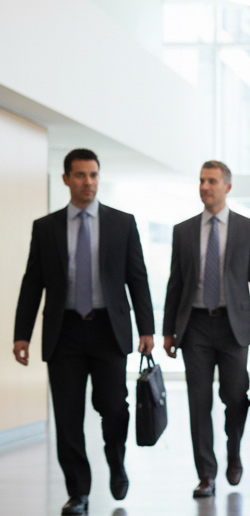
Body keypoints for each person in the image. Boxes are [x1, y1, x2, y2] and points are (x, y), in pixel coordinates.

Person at [12, 149, 155, 516]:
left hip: (109, 332)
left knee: (114, 409)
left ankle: (116, 460)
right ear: (66, 180)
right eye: (79, 175)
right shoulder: (46, 228)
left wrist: (147, 329)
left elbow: (137, 279)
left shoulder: (122, 223)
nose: (87, 182)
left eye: (93, 175)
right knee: (68, 417)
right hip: (66, 333)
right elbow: (33, 283)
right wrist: (22, 334)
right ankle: (79, 492)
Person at [162, 160, 250, 498]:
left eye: (211, 181)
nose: (204, 187)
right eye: (201, 181)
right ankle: (206, 474)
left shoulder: (248, 228)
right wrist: (169, 330)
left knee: (235, 397)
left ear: (226, 186)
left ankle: (234, 450)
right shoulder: (183, 230)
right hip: (194, 326)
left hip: (233, 326)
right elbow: (175, 282)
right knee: (199, 402)